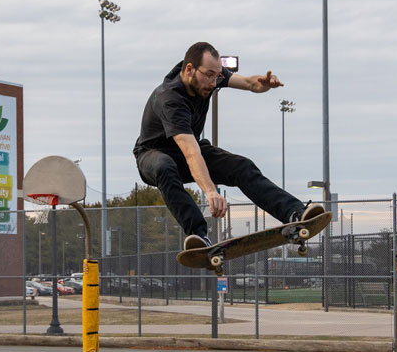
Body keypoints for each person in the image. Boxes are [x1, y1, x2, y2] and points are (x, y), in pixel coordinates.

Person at [133, 41, 324, 250]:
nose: (213, 82)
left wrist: (264, 85)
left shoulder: (211, 74)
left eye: (217, 76)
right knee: (164, 167)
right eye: (208, 76)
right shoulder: (170, 98)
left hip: (191, 149)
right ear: (189, 69)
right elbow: (190, 152)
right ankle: (198, 235)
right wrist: (210, 191)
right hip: (153, 154)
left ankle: (293, 212)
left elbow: (250, 83)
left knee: (241, 167)